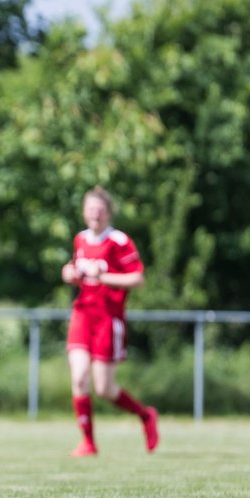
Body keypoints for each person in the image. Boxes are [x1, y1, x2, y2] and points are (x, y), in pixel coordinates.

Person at [60, 186, 159, 457]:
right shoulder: (80, 239)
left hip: (108, 318)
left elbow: (137, 278)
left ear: (108, 213)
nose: (95, 215)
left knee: (103, 388)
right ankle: (88, 443)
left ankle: (145, 415)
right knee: (79, 377)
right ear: (84, 212)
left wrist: (102, 276)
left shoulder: (119, 241)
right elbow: (76, 270)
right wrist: (69, 273)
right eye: (90, 210)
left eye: (100, 210)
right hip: (83, 313)